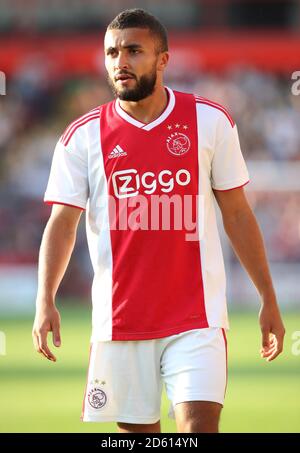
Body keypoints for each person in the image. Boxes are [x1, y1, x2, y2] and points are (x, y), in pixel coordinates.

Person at [32, 8, 285, 433]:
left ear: (163, 59)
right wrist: (45, 299)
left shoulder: (210, 121)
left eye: (134, 50)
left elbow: (238, 214)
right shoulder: (82, 137)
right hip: (120, 322)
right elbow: (62, 223)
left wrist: (268, 298)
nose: (120, 62)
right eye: (112, 52)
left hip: (197, 318)